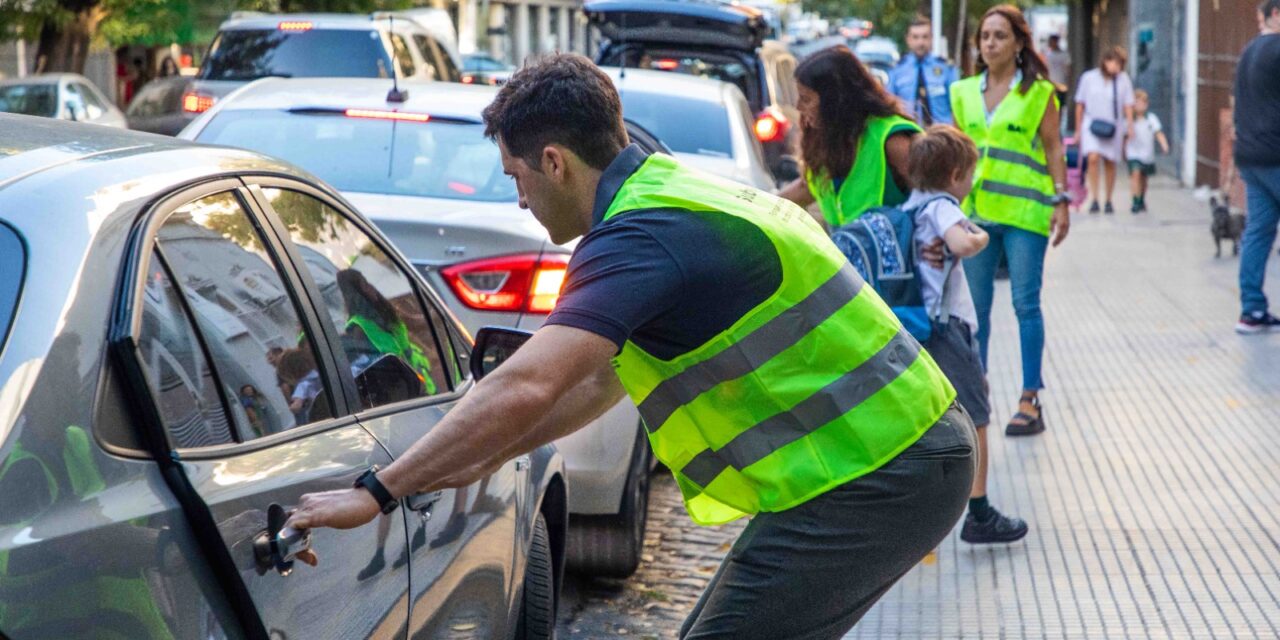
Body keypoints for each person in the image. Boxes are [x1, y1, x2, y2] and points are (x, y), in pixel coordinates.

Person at [287, 53, 977, 639]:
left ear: (553, 162)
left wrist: (379, 490)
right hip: (892, 461)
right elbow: (596, 384)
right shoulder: (666, 192)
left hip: (882, 471)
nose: (518, 198)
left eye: (514, 175)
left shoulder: (639, 236)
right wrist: (480, 458)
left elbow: (529, 382)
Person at [950, 4, 1070, 437]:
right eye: (985, 36)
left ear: (1019, 44)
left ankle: (1029, 399)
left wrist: (1061, 201)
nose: (990, 43)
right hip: (976, 217)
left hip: (1024, 213)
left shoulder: (1039, 94)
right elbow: (958, 152)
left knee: (1025, 304)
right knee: (975, 312)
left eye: (1000, 36)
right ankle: (976, 400)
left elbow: (1054, 148)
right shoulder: (961, 92)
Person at [906, 125, 1030, 544]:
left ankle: (920, 504)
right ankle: (979, 511)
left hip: (919, 325)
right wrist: (978, 235)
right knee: (976, 414)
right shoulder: (943, 206)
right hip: (948, 326)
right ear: (957, 173)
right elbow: (960, 244)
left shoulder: (912, 205)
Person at [780, 46, 921, 228]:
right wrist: (756, 207)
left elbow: (933, 198)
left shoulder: (893, 140)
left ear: (836, 101)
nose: (798, 107)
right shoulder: (828, 136)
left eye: (806, 99)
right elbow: (809, 187)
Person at [1235, 0, 1280, 333]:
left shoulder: (1248, 52)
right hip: (1275, 155)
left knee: (1259, 231)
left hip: (1250, 156)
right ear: (1275, 15)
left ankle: (1251, 310)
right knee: (1258, 231)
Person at [1074, 46, 1135, 214]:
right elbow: (1080, 104)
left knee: (1110, 162)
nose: (1115, 67)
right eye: (1113, 62)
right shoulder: (1089, 78)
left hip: (1113, 126)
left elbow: (1128, 104)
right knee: (1093, 158)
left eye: (1119, 64)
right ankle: (1094, 197)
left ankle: (1108, 199)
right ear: (1105, 61)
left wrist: (1130, 126)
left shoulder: (1123, 80)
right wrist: (1078, 130)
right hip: (1092, 124)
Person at [889, 15, 960, 126]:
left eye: (925, 37)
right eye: (915, 37)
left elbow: (957, 107)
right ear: (908, 39)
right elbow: (890, 106)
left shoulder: (946, 68)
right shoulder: (897, 70)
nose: (920, 42)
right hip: (909, 133)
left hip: (941, 135)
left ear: (931, 38)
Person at [1125, 89, 1169, 214]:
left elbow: (1158, 133)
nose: (1139, 106)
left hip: (1147, 154)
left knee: (1143, 178)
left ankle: (1142, 198)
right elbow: (1124, 136)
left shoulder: (1151, 118)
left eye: (1142, 103)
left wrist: (1164, 145)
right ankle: (1135, 200)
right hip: (1133, 153)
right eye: (1136, 103)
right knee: (1135, 174)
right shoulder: (1129, 120)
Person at [1045, 35, 1072, 117]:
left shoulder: (1064, 55)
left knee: (1059, 106)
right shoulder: (1047, 55)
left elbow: (1068, 70)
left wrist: (1069, 83)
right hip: (1049, 85)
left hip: (1061, 85)